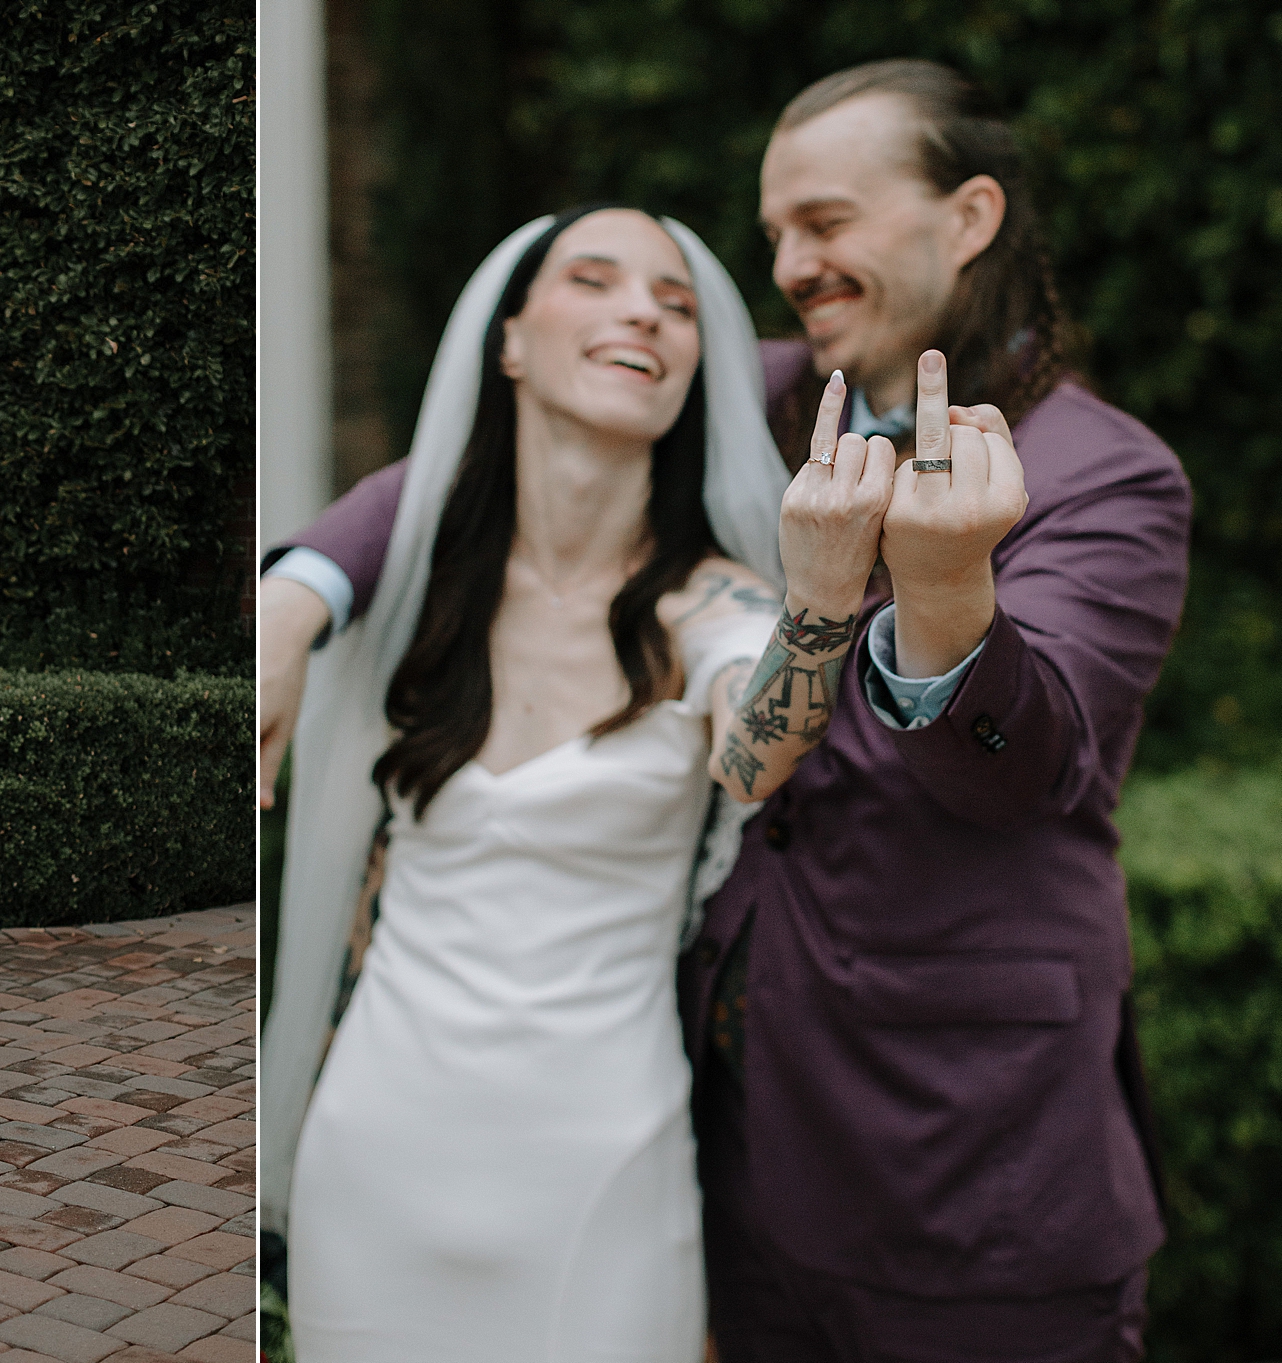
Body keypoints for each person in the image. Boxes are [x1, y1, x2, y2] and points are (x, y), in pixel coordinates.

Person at [261, 59, 1189, 1360]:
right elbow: (509, 433)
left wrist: (941, 597)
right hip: (737, 1148)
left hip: (969, 1164)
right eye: (773, 237)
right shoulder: (758, 389)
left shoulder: (1109, 477)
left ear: (967, 217)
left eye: (825, 222)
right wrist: (302, 592)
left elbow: (1030, 771)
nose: (791, 266)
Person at [270, 202, 873, 1362]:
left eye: (676, 300)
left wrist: (818, 608)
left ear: (693, 367)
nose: (640, 309)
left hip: (600, 1170)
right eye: (593, 279)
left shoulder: (713, 603)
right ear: (508, 339)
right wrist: (287, 604)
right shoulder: (421, 585)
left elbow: (759, 753)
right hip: (375, 1155)